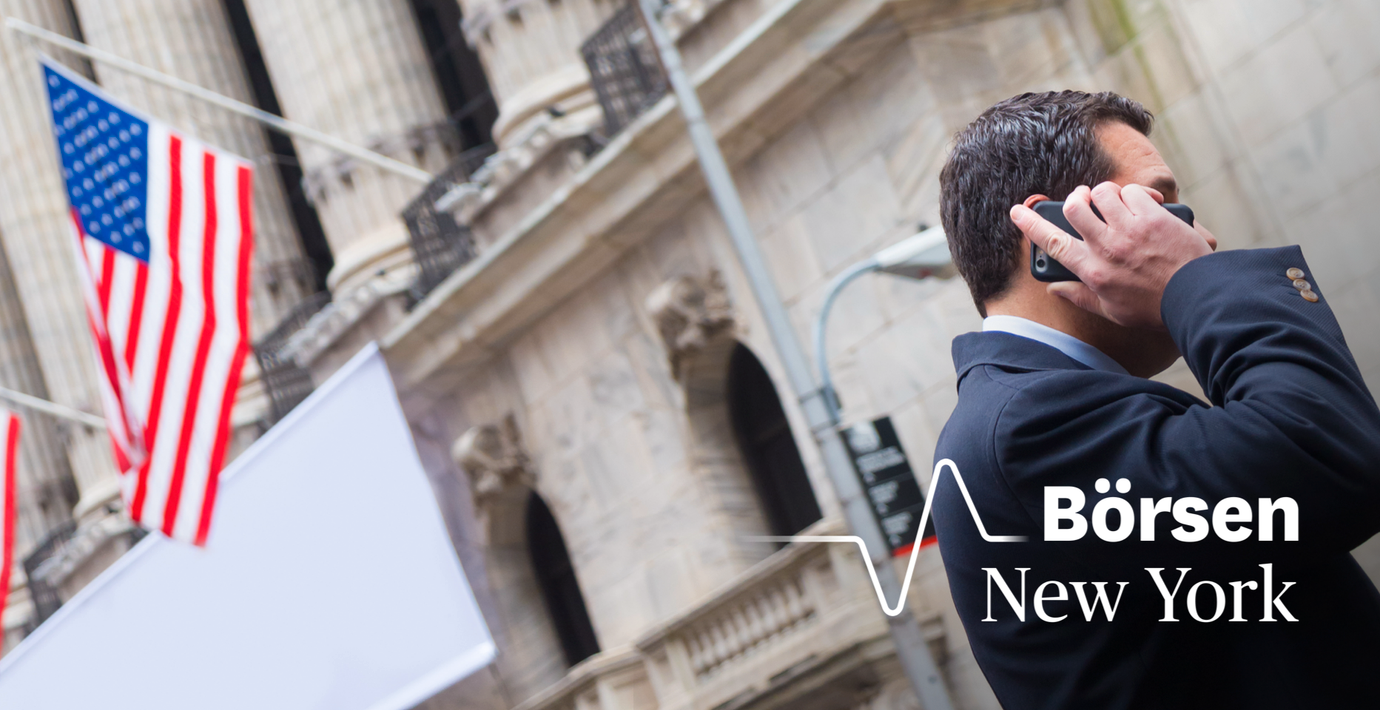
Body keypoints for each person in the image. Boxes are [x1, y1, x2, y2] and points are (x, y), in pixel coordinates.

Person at [933, 90, 1380, 708]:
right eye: (1163, 206)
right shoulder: (1028, 429)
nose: (1202, 240)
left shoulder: (1045, 407)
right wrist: (1194, 285)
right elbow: (1324, 455)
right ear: (1051, 235)